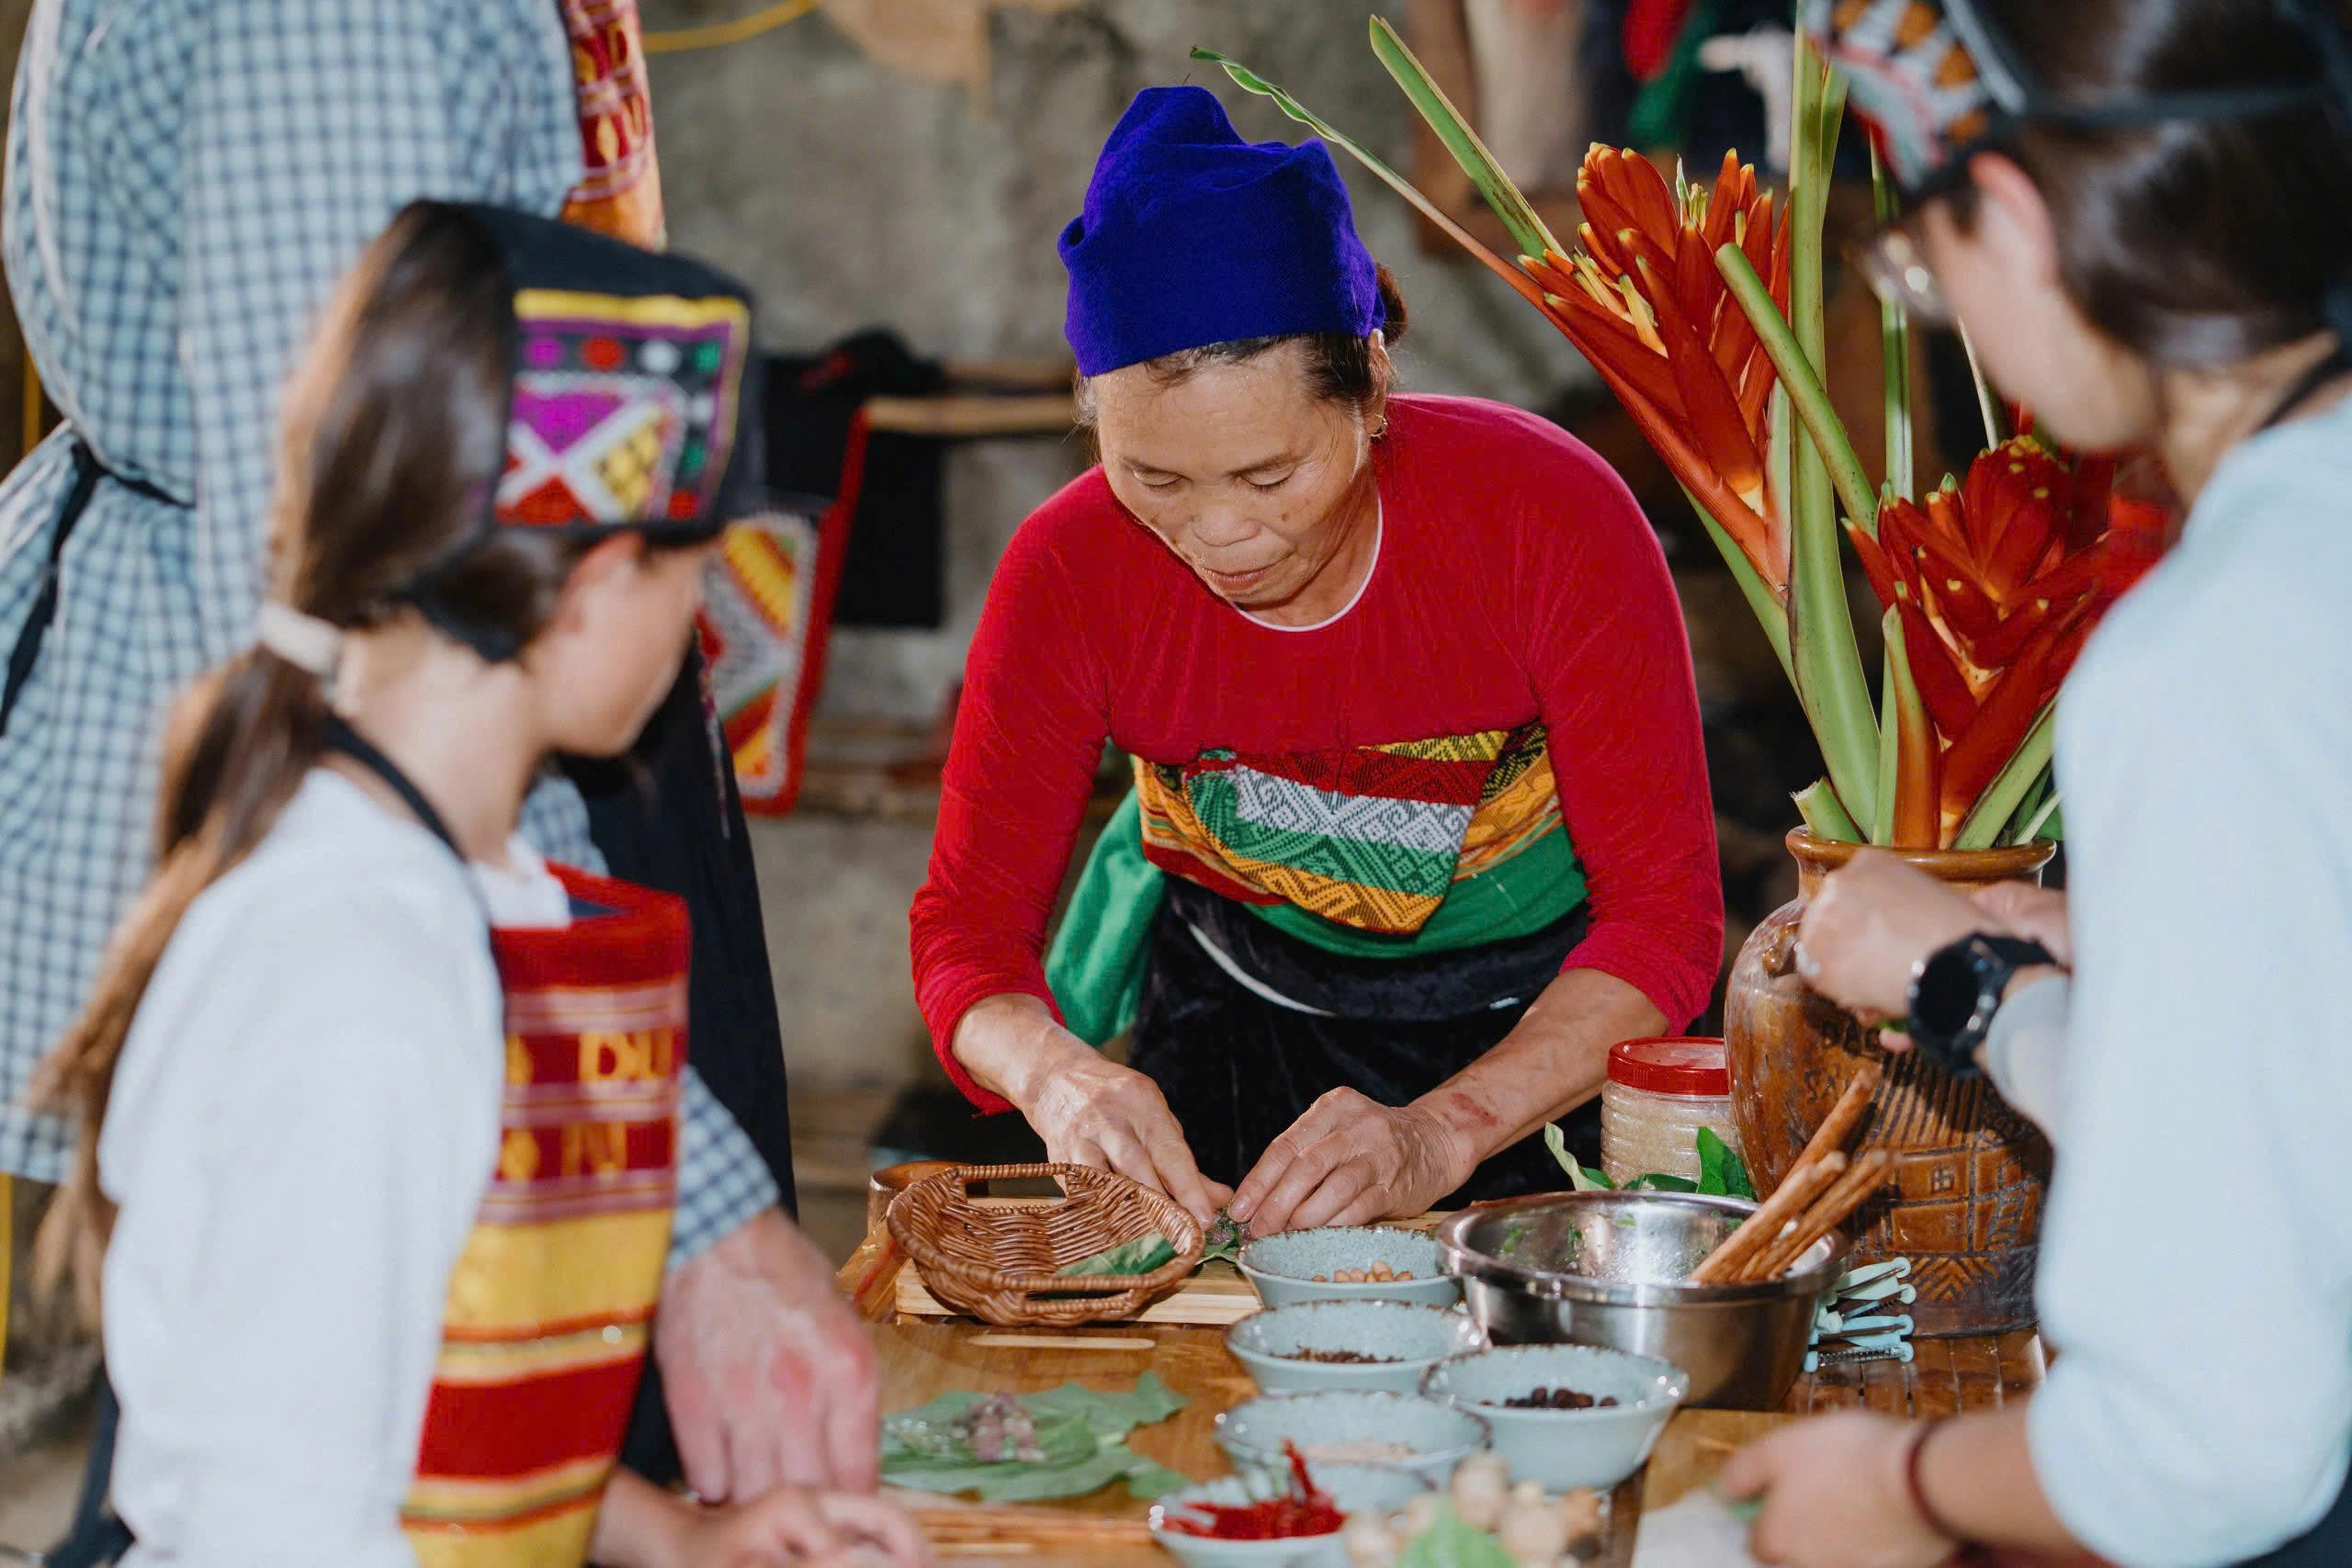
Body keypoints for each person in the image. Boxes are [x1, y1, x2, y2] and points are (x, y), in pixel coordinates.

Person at [0, 0, 872, 1497]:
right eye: (688, 573)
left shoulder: (428, 873)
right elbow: (296, 1497)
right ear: (586, 582)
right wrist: (700, 1216)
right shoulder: (365, 959)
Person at [1720, 3, 2352, 1565]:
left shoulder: (2212, 650)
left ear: (2011, 212)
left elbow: (2213, 1444)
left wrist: (1900, 1488)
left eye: (1925, 277)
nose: (1951, 324)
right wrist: (1987, 975)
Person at [908, 86, 1723, 1235]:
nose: (1220, 534)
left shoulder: (1548, 518)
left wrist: (1441, 1129)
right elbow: (966, 934)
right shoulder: (1068, 570)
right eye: (1155, 479)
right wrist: (1057, 1076)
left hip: (1547, 1035)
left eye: (1267, 477)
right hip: (1235, 1015)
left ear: (1372, 393)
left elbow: (1663, 922)